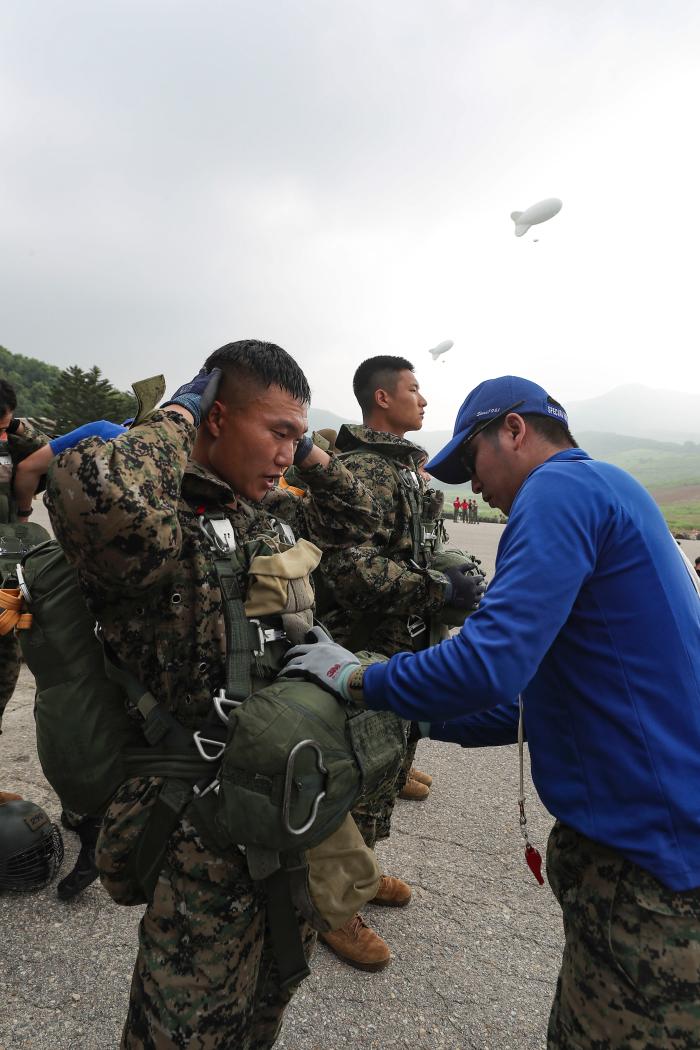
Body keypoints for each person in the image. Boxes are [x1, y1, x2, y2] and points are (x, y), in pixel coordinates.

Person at [281, 375, 700, 1050]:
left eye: (471, 460)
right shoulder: (612, 489)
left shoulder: (558, 490)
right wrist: (404, 716)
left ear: (514, 430)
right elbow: (522, 706)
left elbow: (487, 665)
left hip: (649, 865)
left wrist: (359, 678)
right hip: (657, 842)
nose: (470, 487)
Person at [45, 340, 382, 1050]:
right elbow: (101, 498)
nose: (290, 453)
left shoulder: (264, 516)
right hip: (197, 824)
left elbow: (358, 519)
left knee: (272, 990)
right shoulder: (162, 525)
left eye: (299, 434)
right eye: (277, 432)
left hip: (282, 810)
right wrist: (174, 413)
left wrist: (312, 449)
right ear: (218, 418)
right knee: (185, 1027)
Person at [316, 355, 482, 971]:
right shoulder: (357, 472)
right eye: (414, 388)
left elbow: (420, 548)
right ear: (381, 399)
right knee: (354, 769)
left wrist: (449, 573)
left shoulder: (408, 470)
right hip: (364, 647)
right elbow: (344, 569)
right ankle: (333, 904)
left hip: (406, 644)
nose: (424, 399)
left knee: (389, 767)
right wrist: (435, 589)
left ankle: (360, 869)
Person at [0, 379, 50, 737]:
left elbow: (46, 454)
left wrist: (16, 426)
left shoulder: (9, 446)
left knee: (6, 666)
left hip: (3, 573)